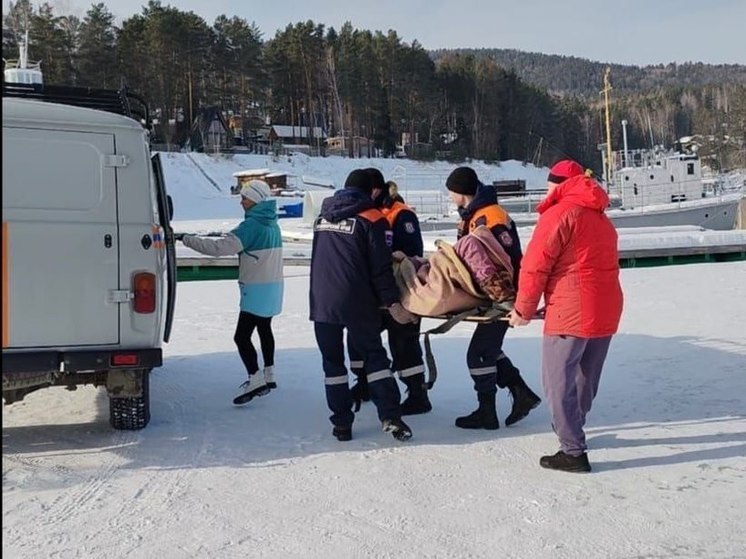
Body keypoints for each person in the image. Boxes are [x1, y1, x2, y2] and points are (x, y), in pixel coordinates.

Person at [508, 159, 623, 473]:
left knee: (557, 380)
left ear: (559, 184)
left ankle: (572, 450)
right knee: (585, 376)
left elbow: (535, 266)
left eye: (548, 184)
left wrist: (523, 309)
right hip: (606, 307)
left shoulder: (559, 213)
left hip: (571, 311)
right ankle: (574, 429)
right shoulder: (600, 216)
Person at [309, 169, 416, 442]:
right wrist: (393, 303)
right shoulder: (372, 218)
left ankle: (342, 424)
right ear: (373, 191)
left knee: (332, 365)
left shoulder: (322, 218)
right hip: (358, 301)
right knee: (374, 357)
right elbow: (380, 268)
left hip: (322, 301)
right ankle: (390, 415)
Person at [445, 166, 542, 430]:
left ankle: (487, 411)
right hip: (490, 295)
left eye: (451, 192)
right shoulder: (474, 215)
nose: (450, 197)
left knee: (478, 354)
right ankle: (521, 393)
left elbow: (504, 259)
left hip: (502, 294)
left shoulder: (490, 217)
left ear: (460, 192)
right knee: (488, 349)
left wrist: (508, 297)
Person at [179, 179, 283, 405]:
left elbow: (219, 248)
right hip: (274, 286)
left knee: (241, 336)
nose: (241, 202)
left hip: (256, 289)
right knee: (265, 328)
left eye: (244, 197)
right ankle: (269, 374)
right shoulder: (272, 222)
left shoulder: (251, 226)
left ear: (255, 200)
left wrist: (186, 239)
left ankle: (255, 379)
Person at [348, 168, 431, 416]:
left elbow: (413, 252)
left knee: (403, 343)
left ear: (375, 189)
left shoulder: (401, 215)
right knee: (358, 341)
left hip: (401, 293)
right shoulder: (365, 212)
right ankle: (364, 384)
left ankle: (417, 394)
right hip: (373, 294)